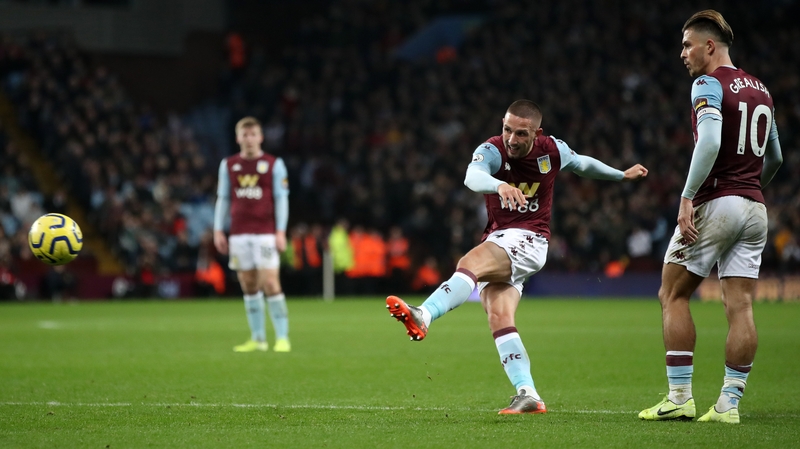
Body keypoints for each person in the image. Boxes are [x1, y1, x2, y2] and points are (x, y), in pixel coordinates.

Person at [386, 99, 648, 414]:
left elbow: (582, 163)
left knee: (468, 264)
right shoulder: (493, 150)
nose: (511, 139)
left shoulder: (552, 150)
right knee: (499, 316)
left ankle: (424, 315)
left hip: (531, 237)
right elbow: (472, 176)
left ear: (537, 133)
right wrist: (499, 186)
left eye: (521, 133)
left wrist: (621, 175)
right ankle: (528, 394)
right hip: (501, 238)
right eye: (507, 129)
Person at [638, 10, 782, 424]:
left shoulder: (708, 83)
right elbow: (775, 158)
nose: (682, 53)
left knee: (672, 294)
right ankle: (728, 405)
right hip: (754, 207)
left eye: (687, 45)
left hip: (717, 202)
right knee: (741, 305)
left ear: (709, 46)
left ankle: (680, 397)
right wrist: (749, 188)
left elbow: (711, 140)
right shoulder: (762, 90)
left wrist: (687, 198)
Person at [214, 116, 291, 353]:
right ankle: (258, 338)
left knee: (270, 282)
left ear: (261, 137)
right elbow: (223, 198)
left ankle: (282, 337)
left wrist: (281, 231)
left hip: (265, 233)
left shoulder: (273, 164)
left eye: (253, 134)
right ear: (238, 138)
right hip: (238, 233)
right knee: (248, 284)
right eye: (245, 135)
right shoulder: (228, 164)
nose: (249, 139)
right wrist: (218, 229)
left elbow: (281, 199)